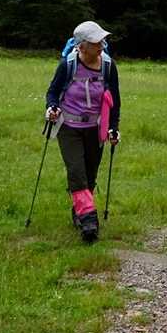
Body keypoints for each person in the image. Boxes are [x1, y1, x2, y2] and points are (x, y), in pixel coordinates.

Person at [45, 20, 121, 243]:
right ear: (82, 46)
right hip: (68, 127)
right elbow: (53, 92)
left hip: (95, 128)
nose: (102, 45)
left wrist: (113, 128)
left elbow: (115, 100)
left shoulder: (108, 65)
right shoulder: (68, 65)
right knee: (76, 171)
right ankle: (89, 222)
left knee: (89, 175)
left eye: (102, 40)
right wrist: (52, 107)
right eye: (96, 42)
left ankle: (78, 210)